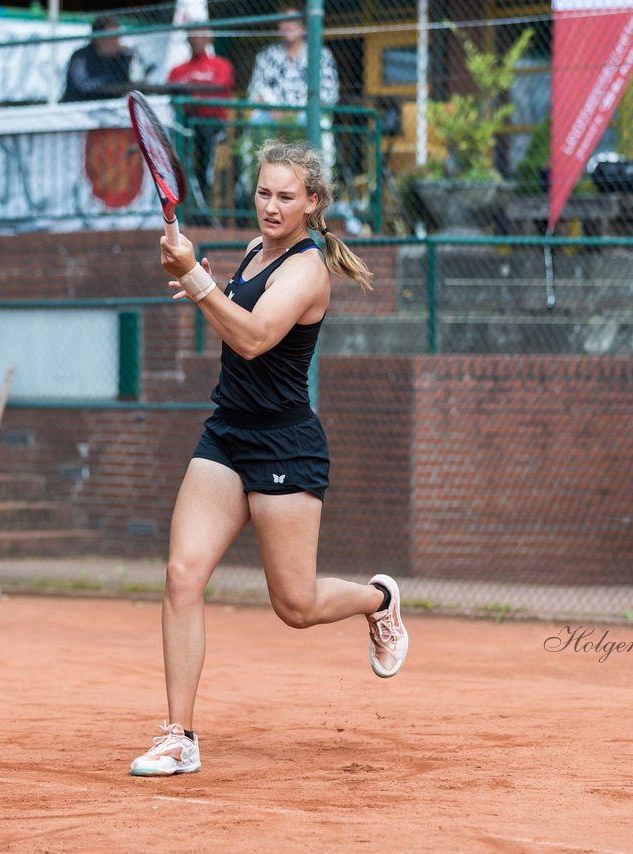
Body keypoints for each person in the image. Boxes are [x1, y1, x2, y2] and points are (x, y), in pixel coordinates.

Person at [129, 140, 408, 778]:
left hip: (285, 443)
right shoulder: (256, 252)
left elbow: (253, 339)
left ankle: (377, 599)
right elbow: (235, 319)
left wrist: (195, 280)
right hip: (227, 434)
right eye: (263, 193)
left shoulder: (308, 270)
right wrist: (202, 285)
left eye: (286, 197)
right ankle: (179, 736)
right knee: (181, 576)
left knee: (296, 606)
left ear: (313, 203)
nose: (271, 207)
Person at [165, 28, 234, 205]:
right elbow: (172, 96)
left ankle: (204, 198)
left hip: (212, 125)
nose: (196, 39)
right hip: (184, 124)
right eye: (193, 34)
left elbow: (219, 91)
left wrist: (192, 97)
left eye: (201, 34)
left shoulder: (220, 65)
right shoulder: (178, 70)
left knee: (204, 131)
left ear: (209, 37)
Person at [246, 2, 339, 125]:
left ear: (303, 27)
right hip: (272, 116)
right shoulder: (266, 55)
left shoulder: (321, 55)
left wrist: (297, 113)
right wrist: (274, 110)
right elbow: (255, 92)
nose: (287, 25)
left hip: (306, 115)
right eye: (283, 21)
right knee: (258, 121)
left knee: (308, 121)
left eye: (292, 20)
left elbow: (328, 95)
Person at [60, 17, 134, 103]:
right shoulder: (81, 56)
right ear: (98, 38)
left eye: (117, 36)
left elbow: (132, 83)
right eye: (111, 37)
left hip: (110, 107)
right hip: (78, 107)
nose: (116, 42)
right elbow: (82, 85)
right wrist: (107, 82)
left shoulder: (123, 57)